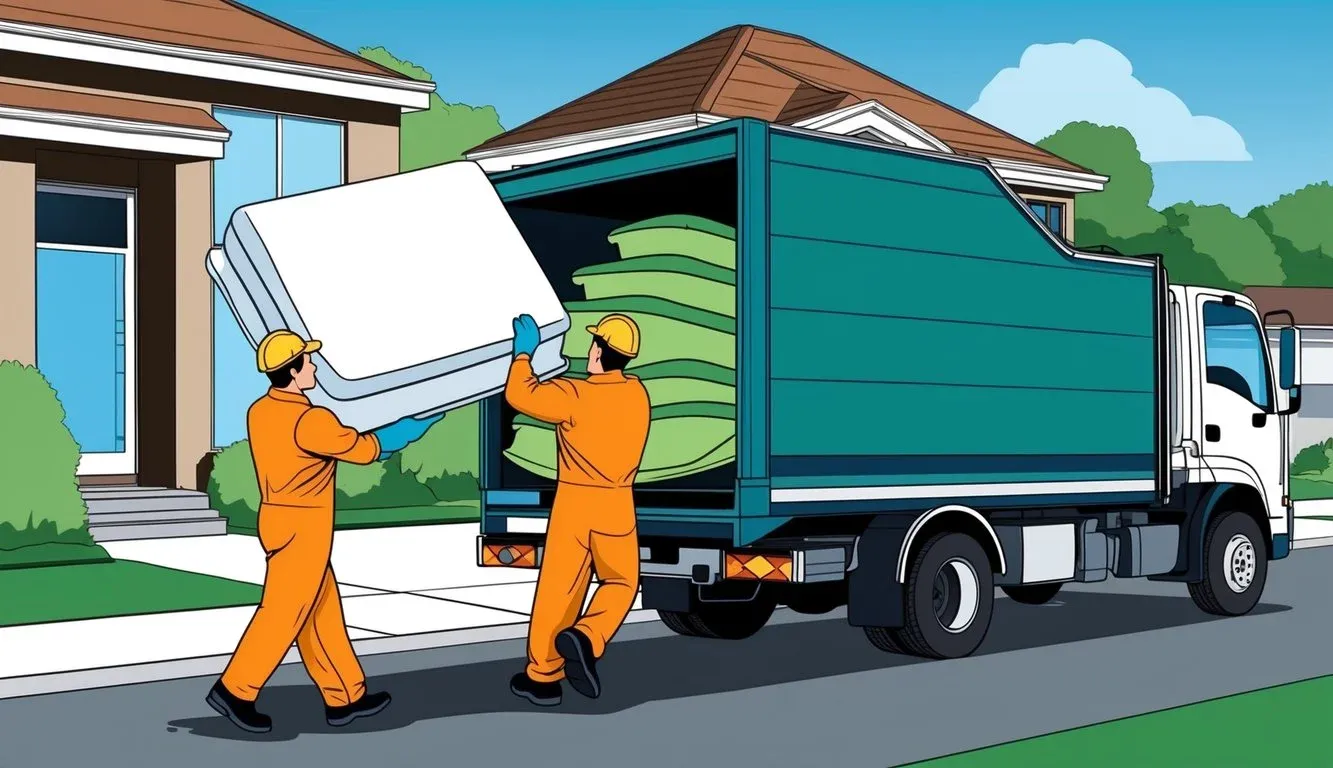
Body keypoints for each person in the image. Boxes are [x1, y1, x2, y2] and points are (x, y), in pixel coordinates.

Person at [206, 329, 442, 734]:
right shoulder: (309, 418)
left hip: (277, 518)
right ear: (294, 371)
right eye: (308, 361)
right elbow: (365, 450)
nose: (314, 366)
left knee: (320, 613)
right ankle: (235, 690)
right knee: (283, 613)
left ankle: (345, 697)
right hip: (304, 527)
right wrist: (409, 427)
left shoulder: (262, 410)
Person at [504, 313, 651, 707]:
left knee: (559, 589)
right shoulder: (637, 396)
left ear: (599, 351)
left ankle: (542, 677)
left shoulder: (574, 395)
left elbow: (520, 394)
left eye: (593, 343)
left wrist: (523, 355)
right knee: (621, 583)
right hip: (617, 503)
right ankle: (588, 636)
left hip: (574, 502)